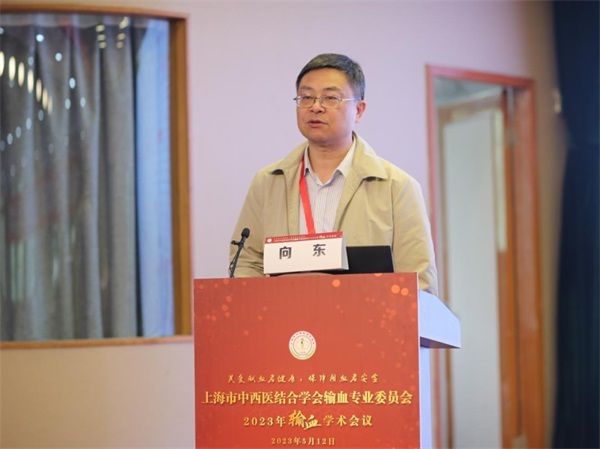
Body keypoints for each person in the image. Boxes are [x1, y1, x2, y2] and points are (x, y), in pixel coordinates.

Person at [229, 53, 438, 294]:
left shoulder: (397, 187)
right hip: (287, 317)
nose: (316, 107)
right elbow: (246, 263)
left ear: (359, 110)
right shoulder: (267, 183)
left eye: (330, 98)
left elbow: (418, 283)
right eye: (306, 97)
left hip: (365, 316)